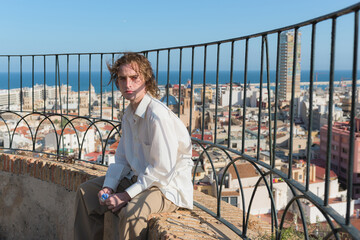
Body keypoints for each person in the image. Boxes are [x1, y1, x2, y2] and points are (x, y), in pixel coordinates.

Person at [74, 52, 194, 240]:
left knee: (131, 215)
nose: (128, 84)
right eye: (122, 78)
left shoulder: (157, 116)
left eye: (134, 78)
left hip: (165, 187)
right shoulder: (129, 114)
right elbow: (122, 158)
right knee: (85, 193)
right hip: (139, 178)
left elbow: (162, 170)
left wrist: (126, 196)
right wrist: (109, 187)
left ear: (146, 79)